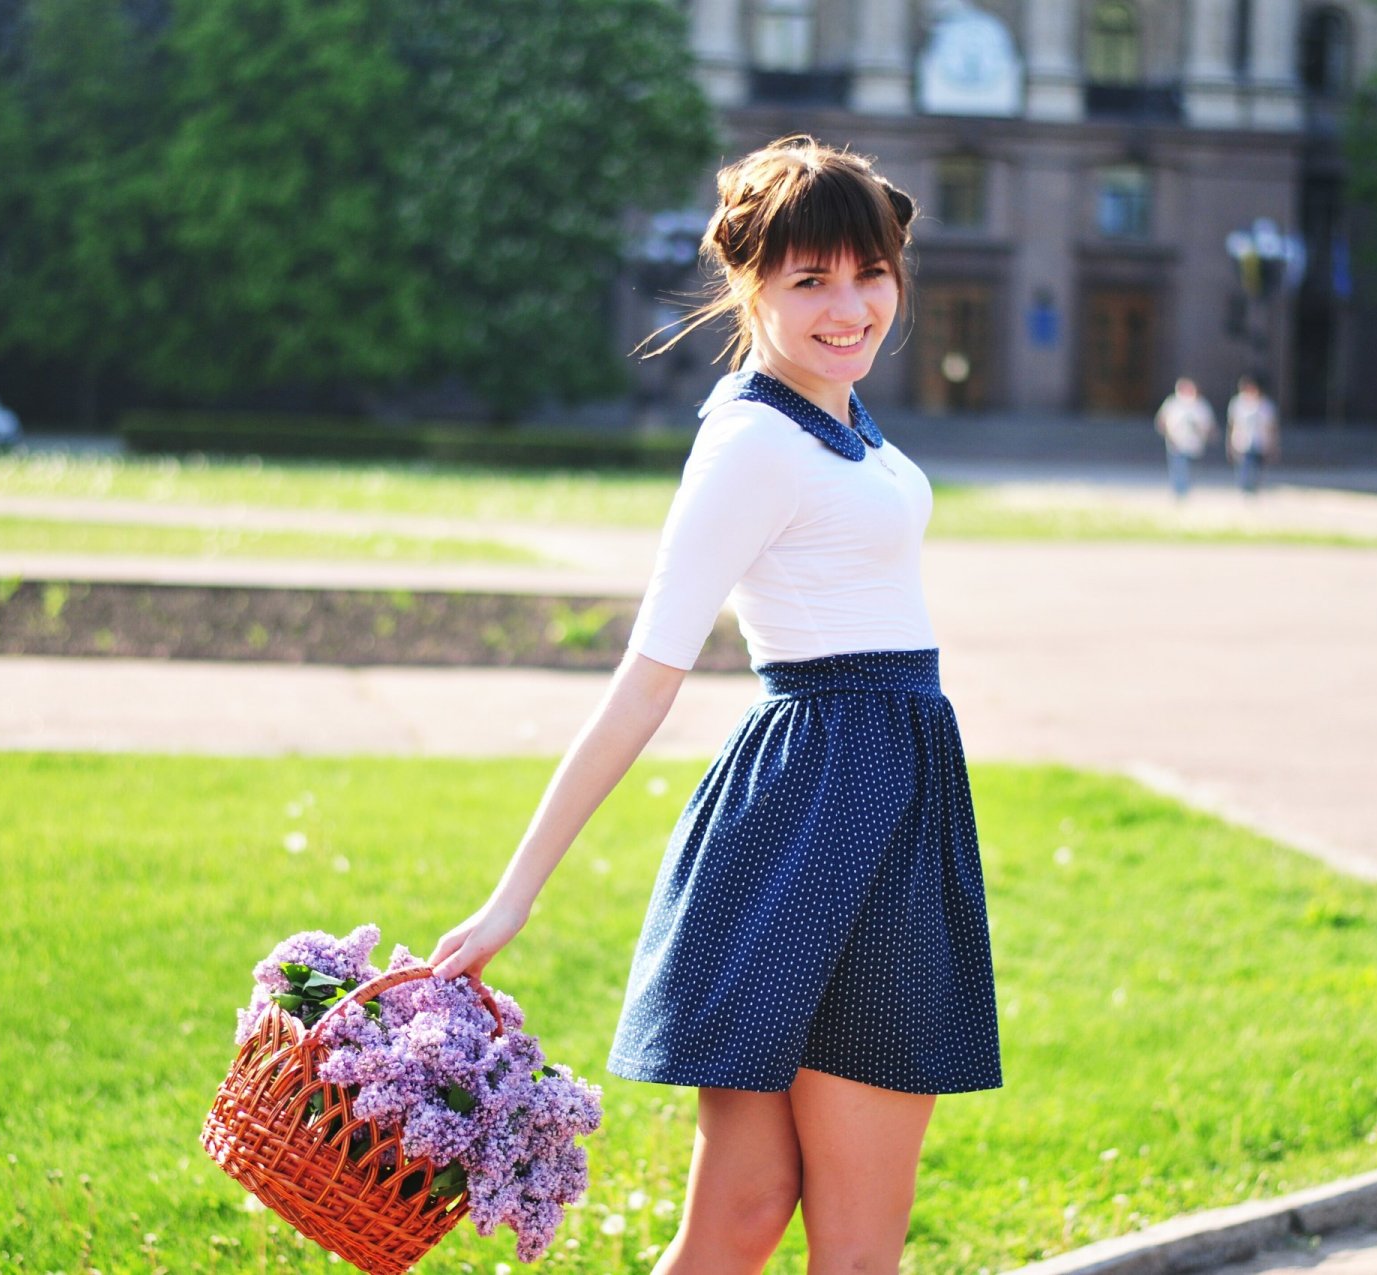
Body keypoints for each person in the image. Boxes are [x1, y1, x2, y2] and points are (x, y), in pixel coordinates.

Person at [428, 134, 1002, 1275]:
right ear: (751, 283)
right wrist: (510, 900)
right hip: (811, 816)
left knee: (785, 1220)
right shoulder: (750, 440)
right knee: (805, 1237)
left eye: (871, 273)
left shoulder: (832, 411)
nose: (852, 306)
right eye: (811, 281)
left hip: (882, 804)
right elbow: (649, 677)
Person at [1155, 376, 1216, 498]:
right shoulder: (1172, 403)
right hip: (1176, 442)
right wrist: (1168, 433)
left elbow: (1208, 425)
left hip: (1194, 444)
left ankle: (1186, 489)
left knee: (1191, 468)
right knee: (1178, 467)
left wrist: (1208, 435)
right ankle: (1180, 491)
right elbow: (1161, 420)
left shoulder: (1200, 406)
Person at [1225, 375, 1280, 495]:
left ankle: (1254, 488)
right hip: (1242, 441)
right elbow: (1232, 424)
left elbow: (1271, 426)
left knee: (1257, 466)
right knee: (1244, 465)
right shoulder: (1237, 404)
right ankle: (1245, 488)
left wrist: (1273, 444)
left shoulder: (1265, 405)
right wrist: (1229, 443)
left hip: (1260, 441)